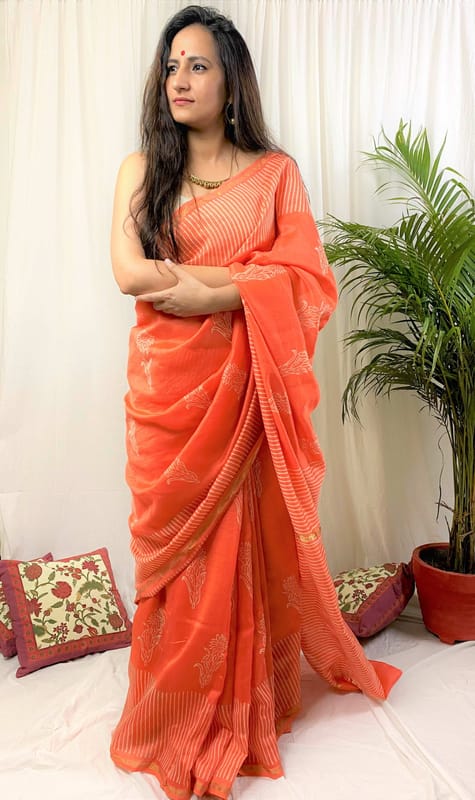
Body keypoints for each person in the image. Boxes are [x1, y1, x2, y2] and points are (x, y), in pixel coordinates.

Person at [109, 6, 400, 800]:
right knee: (173, 559)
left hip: (247, 394)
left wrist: (210, 292)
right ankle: (171, 708)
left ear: (231, 81)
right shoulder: (141, 169)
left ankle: (241, 700)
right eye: (172, 65)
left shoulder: (274, 175)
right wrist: (241, 281)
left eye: (197, 65)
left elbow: (307, 281)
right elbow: (129, 274)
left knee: (242, 546)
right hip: (168, 396)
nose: (179, 79)